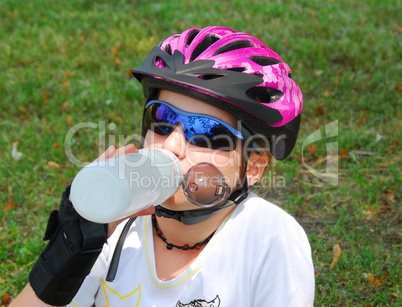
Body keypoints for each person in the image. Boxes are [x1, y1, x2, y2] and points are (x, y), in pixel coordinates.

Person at [11, 26, 315, 307]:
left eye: (207, 133)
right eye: (162, 121)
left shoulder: (269, 239)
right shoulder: (117, 224)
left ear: (253, 167)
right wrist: (67, 255)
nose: (171, 146)